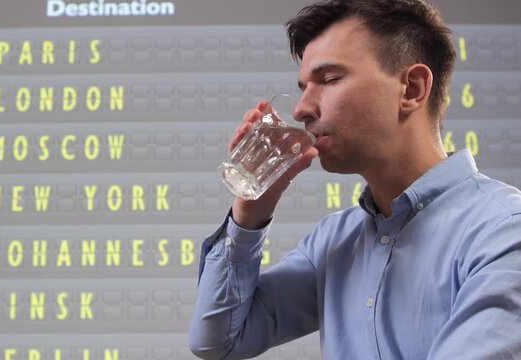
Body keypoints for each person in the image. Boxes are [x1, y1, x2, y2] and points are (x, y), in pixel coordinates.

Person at [188, 0, 521, 359]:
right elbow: (217, 341)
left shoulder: (503, 232)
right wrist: (252, 207)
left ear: (412, 88)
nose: (300, 109)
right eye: (302, 87)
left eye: (329, 79)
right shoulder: (335, 241)